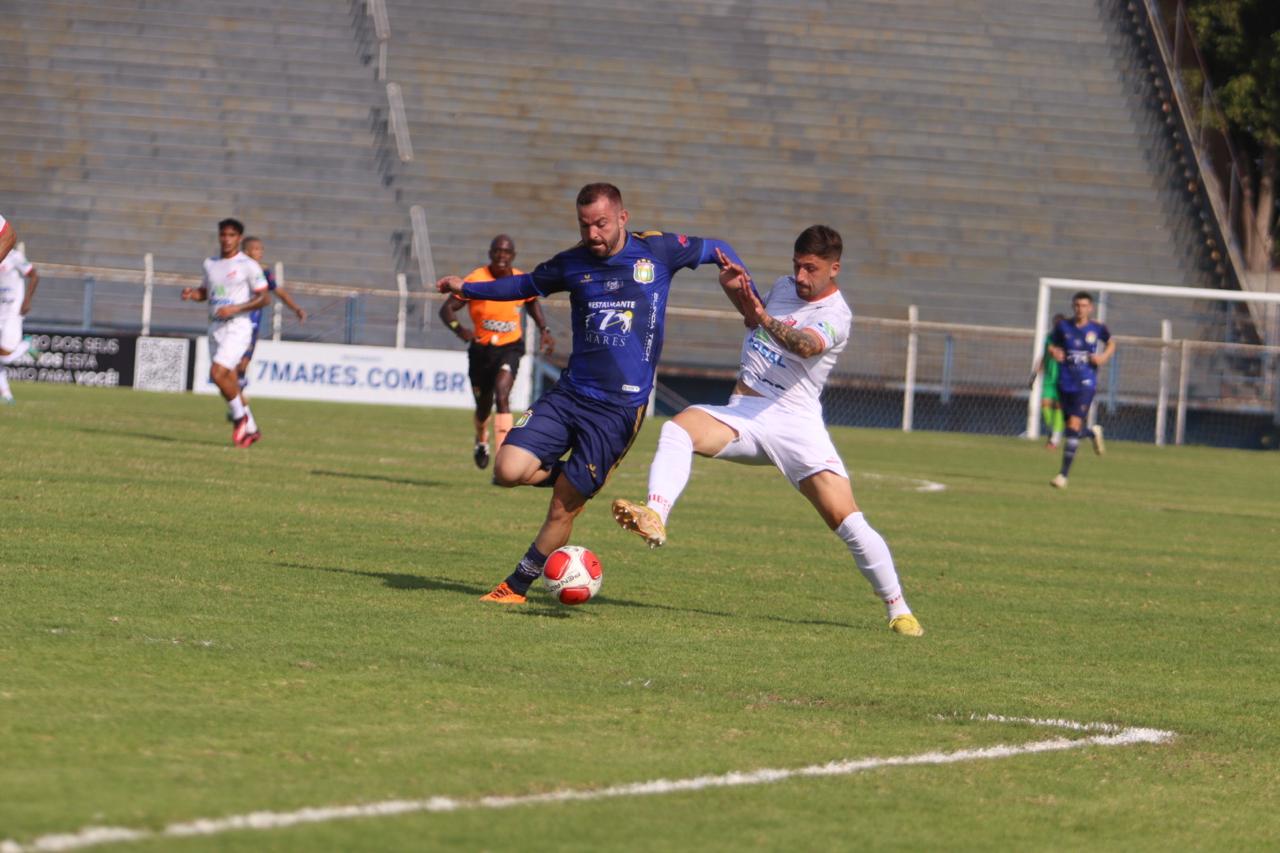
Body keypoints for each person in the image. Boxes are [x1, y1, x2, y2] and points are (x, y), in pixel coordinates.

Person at [435, 182, 748, 603]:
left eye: (601, 223)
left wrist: (751, 299)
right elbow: (524, 284)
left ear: (622, 217)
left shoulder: (658, 251)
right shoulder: (572, 263)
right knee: (507, 470)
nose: (593, 234)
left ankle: (516, 586)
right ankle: (576, 478)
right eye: (585, 226)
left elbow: (718, 248)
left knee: (564, 507)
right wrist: (467, 288)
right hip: (570, 394)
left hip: (618, 411)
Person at [610, 226, 924, 637]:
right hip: (746, 411)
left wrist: (761, 314)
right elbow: (753, 321)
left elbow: (805, 346)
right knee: (678, 429)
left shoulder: (836, 315)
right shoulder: (781, 288)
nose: (801, 276)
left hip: (796, 423)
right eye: (797, 266)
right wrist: (738, 292)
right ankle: (655, 514)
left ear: (834, 268)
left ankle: (899, 610)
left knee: (847, 521)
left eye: (811, 269)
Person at [439, 234, 554, 469]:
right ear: (490, 253)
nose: (502, 256)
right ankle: (482, 439)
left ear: (513, 256)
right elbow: (446, 310)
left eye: (506, 252)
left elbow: (531, 302)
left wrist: (544, 328)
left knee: (502, 394)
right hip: (481, 351)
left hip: (510, 347)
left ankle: (503, 461)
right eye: (497, 251)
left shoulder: (521, 280)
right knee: (483, 408)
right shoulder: (476, 279)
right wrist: (460, 330)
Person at [181, 218, 270, 448]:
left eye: (231, 235)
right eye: (223, 235)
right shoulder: (210, 264)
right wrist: (193, 294)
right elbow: (206, 293)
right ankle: (251, 429)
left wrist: (236, 308)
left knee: (218, 373)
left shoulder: (248, 265)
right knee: (227, 380)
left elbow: (264, 298)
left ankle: (240, 418)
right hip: (215, 327)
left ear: (239, 238)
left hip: (238, 327)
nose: (227, 239)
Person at [1048, 291, 1115, 488]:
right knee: (1072, 427)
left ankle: (1063, 475)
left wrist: (1103, 357)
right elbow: (1051, 344)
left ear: (1090, 308)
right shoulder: (1063, 327)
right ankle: (1093, 434)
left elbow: (1111, 343)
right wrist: (1054, 352)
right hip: (1065, 381)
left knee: (1074, 424)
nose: (1080, 309)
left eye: (1084, 306)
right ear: (1073, 306)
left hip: (1086, 382)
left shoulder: (1097, 328)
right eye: (1077, 305)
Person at [236, 236, 306, 401]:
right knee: (235, 360)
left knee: (244, 362)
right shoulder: (236, 269)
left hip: (253, 322)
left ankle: (238, 396)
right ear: (246, 251)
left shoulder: (263, 272)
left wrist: (296, 308)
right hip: (235, 320)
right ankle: (237, 397)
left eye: (261, 249)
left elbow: (278, 291)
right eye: (256, 249)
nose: (260, 253)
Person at [0, 227, 38, 404]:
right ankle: (6, 395)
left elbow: (34, 276)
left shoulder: (14, 256)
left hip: (13, 312)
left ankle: (25, 345)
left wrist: (26, 301)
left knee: (6, 356)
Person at [1036, 314, 1066, 448]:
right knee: (1045, 405)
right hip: (1049, 378)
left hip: (1064, 378)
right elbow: (1047, 353)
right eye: (1056, 324)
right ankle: (1053, 431)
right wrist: (1036, 371)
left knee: (1059, 406)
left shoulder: (1069, 339)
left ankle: (1054, 439)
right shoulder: (1050, 338)